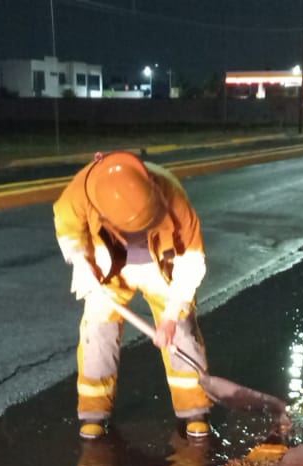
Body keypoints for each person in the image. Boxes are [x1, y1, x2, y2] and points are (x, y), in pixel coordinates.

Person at [53, 151, 212, 440]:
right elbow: (68, 229)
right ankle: (93, 413)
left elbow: (192, 260)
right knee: (97, 332)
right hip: (108, 268)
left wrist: (172, 314)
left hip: (160, 265)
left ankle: (194, 409)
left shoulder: (170, 192)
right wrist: (79, 262)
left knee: (182, 332)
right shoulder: (80, 192)